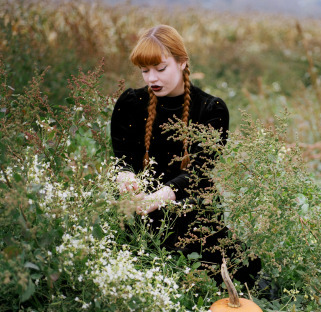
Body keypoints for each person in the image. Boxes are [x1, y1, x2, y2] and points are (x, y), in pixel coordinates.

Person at [110, 24, 261, 286]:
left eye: (160, 68)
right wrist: (124, 179)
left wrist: (160, 197)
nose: (152, 79)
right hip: (140, 208)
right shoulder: (130, 103)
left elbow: (199, 172)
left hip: (193, 211)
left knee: (231, 276)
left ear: (182, 63)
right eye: (145, 71)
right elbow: (122, 159)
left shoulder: (210, 109)